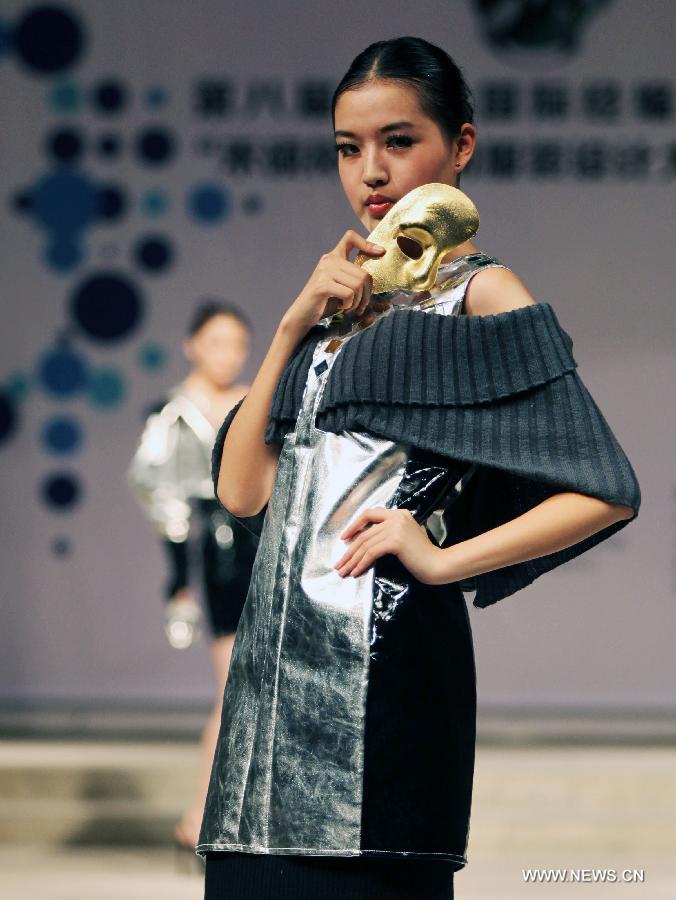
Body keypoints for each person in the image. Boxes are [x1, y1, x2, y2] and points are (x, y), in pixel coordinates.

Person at [197, 37, 641, 900]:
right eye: (348, 149)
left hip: (389, 683)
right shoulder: (335, 301)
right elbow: (242, 493)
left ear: (460, 147)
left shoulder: (482, 292)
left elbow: (605, 487)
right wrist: (292, 325)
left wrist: (439, 559)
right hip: (267, 700)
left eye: (398, 142)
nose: (371, 172)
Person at [127, 300, 264, 852]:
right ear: (191, 345)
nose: (227, 354)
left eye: (237, 343)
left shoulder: (257, 401)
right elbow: (155, 493)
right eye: (216, 342)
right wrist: (177, 579)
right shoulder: (171, 414)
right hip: (215, 554)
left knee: (248, 684)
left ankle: (211, 817)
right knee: (236, 684)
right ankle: (203, 816)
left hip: (263, 542)